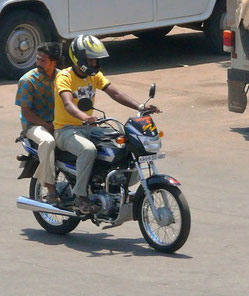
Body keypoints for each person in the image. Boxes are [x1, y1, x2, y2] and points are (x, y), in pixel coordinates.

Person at [54, 35, 158, 214]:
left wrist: (140, 106)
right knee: (88, 150)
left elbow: (115, 93)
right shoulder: (65, 77)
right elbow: (68, 103)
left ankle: (107, 184)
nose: (95, 63)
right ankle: (80, 197)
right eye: (91, 59)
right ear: (79, 58)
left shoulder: (94, 77)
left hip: (89, 128)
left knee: (121, 142)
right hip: (66, 130)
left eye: (96, 59)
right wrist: (83, 116)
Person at [15, 42, 62, 202]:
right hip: (34, 126)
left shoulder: (63, 78)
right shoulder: (27, 81)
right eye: (38, 59)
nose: (38, 63)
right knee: (48, 142)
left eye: (43, 60)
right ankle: (50, 188)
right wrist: (47, 125)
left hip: (60, 123)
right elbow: (26, 113)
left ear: (53, 62)